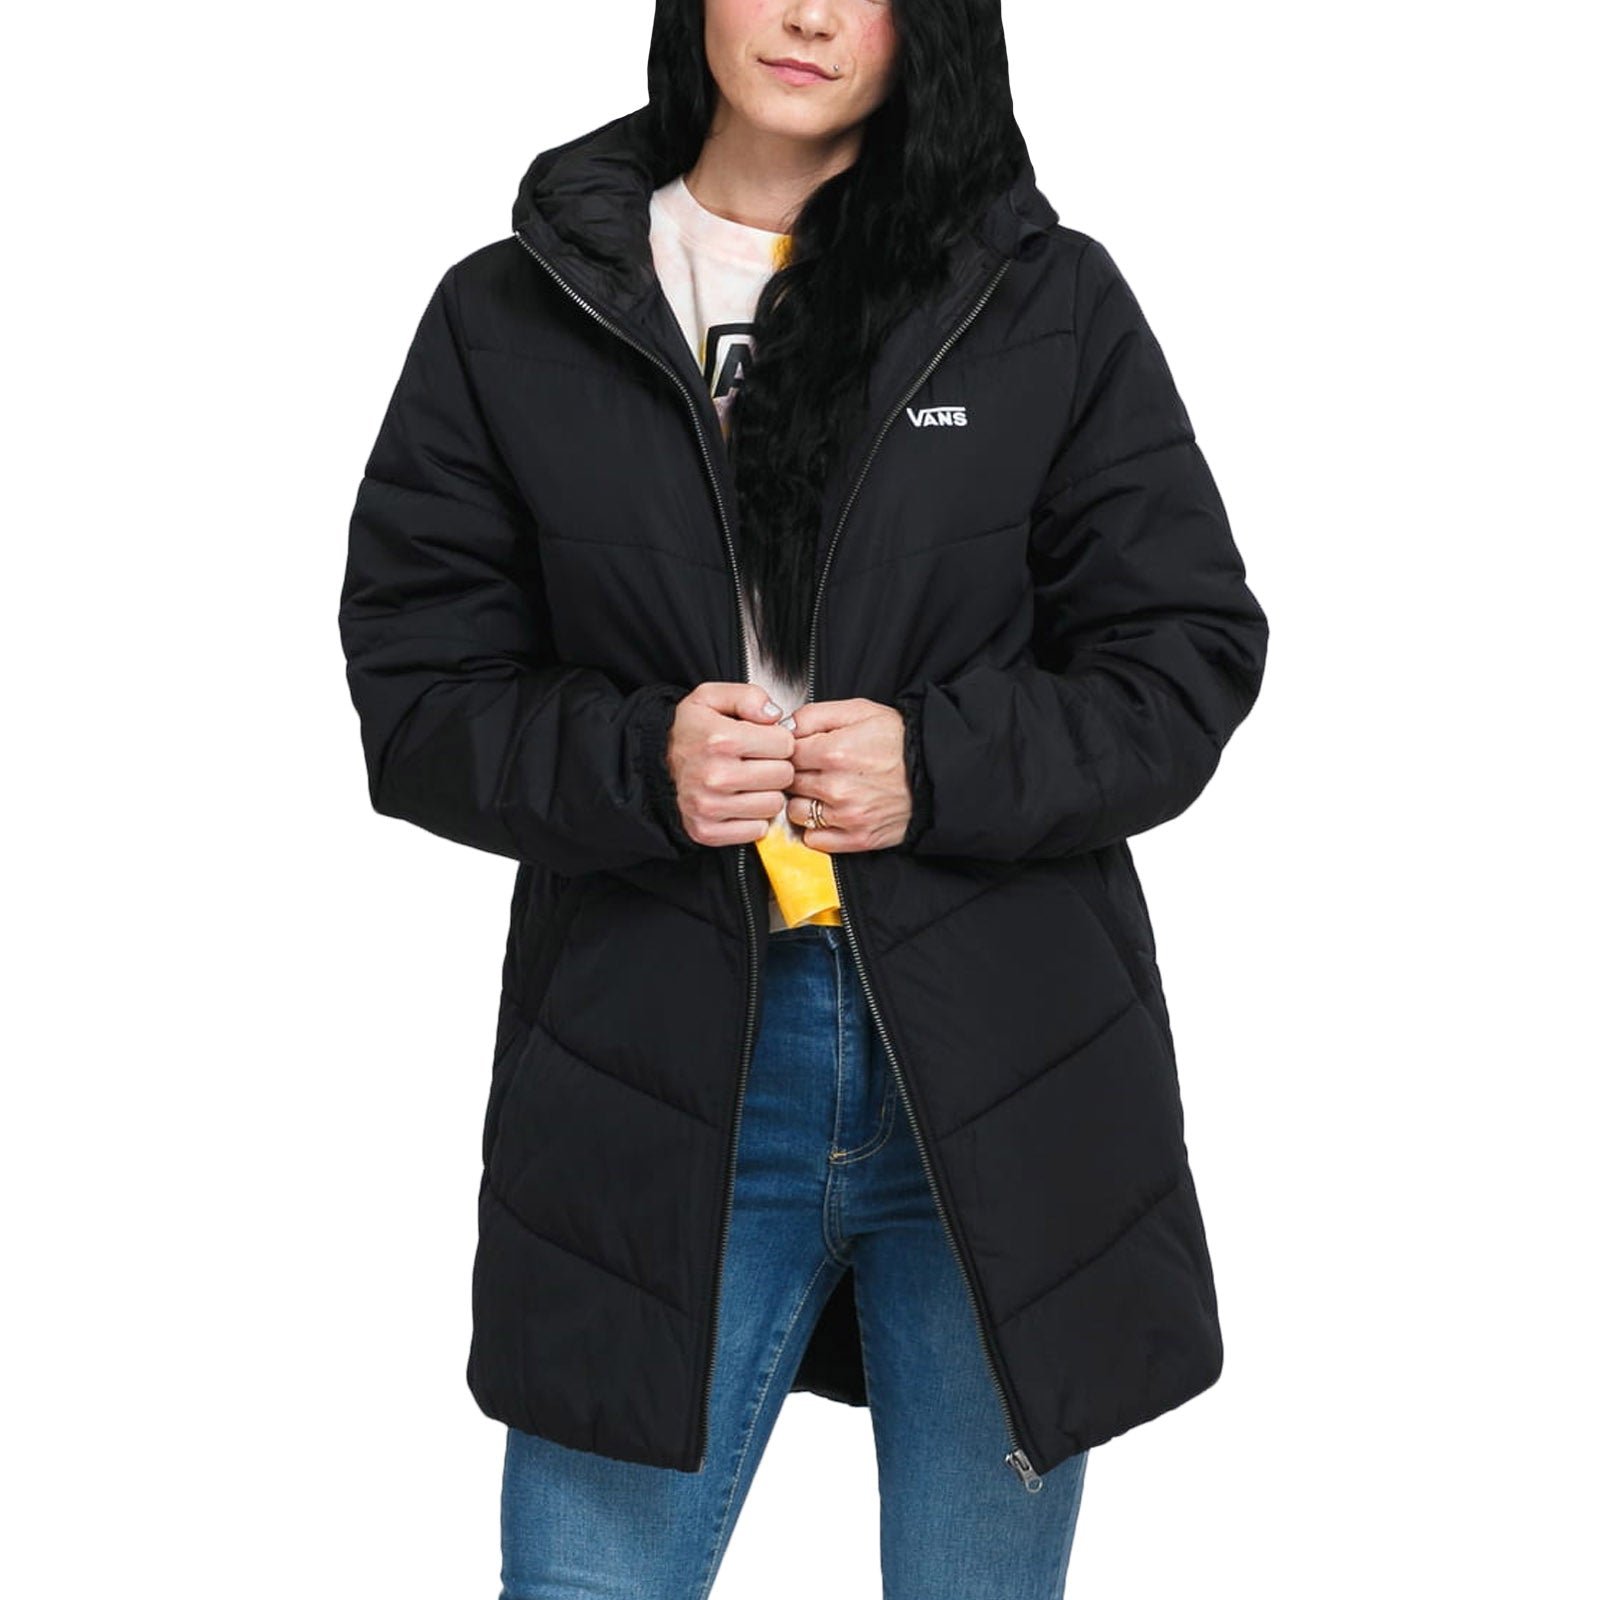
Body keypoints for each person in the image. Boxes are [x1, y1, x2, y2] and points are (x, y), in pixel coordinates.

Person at [338, 0, 1269, 1593]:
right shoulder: (516, 309)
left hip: (998, 1058)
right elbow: (418, 691)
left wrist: (938, 765)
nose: (814, 13)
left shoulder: (1039, 301)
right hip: (658, 1055)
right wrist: (639, 761)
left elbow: (1183, 654)